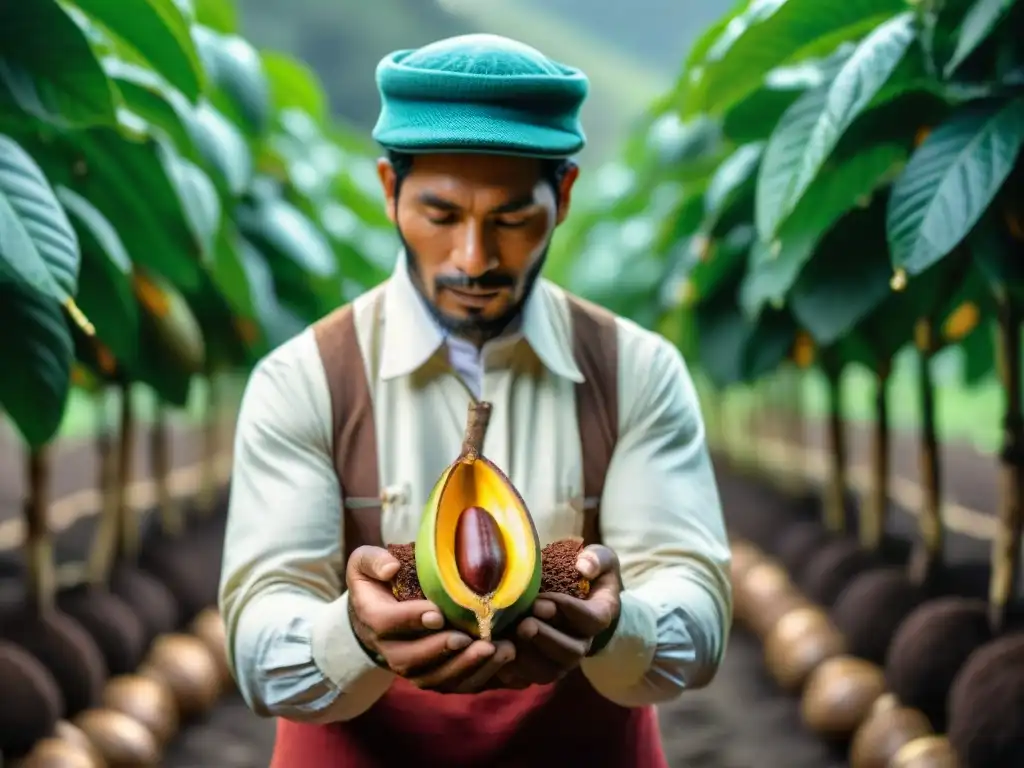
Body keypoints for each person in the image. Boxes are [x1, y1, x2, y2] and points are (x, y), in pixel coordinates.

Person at [219, 32, 732, 768]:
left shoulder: (639, 371)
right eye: (441, 216)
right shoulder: (301, 379)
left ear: (562, 197)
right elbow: (258, 637)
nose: (474, 258)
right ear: (391, 194)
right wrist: (356, 636)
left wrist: (618, 623)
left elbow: (698, 613)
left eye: (512, 220)